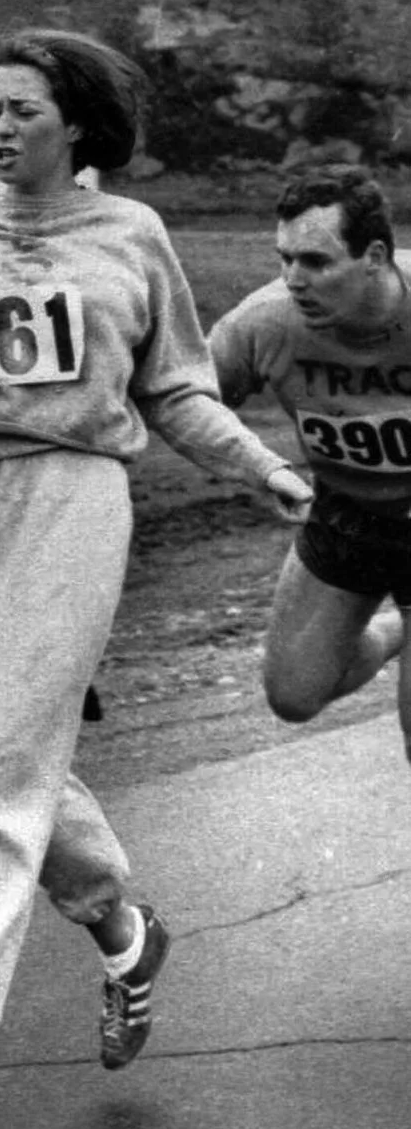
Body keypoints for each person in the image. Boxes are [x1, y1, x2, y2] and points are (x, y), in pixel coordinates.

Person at [0, 29, 313, 1128]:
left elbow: (175, 389)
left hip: (74, 494)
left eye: (21, 110)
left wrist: (258, 466)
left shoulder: (129, 233)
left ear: (75, 124)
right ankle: (123, 931)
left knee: (2, 761)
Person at [213, 167, 411, 749]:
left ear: (374, 255)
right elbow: (183, 396)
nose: (294, 279)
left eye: (317, 262)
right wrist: (258, 463)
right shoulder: (266, 319)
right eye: (285, 258)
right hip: (347, 512)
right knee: (293, 696)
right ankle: (398, 627)